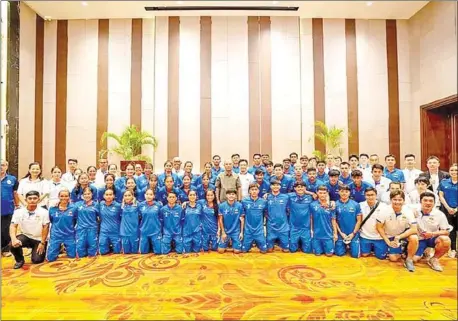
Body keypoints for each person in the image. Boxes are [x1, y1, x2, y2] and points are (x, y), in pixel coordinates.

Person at [376, 190, 419, 272]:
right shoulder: (384, 210)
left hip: (402, 234)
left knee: (414, 237)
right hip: (389, 235)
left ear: (403, 201)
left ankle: (409, 260)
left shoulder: (408, 211)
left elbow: (414, 229)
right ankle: (403, 249)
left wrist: (399, 237)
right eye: (395, 199)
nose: (397, 202)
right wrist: (388, 241)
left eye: (400, 200)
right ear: (390, 200)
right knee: (393, 258)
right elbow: (379, 227)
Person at [9, 191, 50, 269]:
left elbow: (46, 227)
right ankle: (19, 260)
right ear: (26, 199)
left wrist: (42, 243)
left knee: (36, 260)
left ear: (38, 200)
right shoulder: (18, 212)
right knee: (12, 244)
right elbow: (13, 226)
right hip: (26, 236)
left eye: (35, 198)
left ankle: (40, 249)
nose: (32, 200)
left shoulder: (44, 212)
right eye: (30, 198)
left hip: (39, 239)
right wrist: (14, 239)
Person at [413, 191, 452, 272]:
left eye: (431, 201)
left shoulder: (439, 214)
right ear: (420, 201)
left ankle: (434, 259)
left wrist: (432, 234)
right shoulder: (413, 210)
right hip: (419, 239)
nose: (428, 203)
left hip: (432, 239)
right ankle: (422, 251)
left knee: (445, 240)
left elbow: (446, 232)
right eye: (425, 200)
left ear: (434, 203)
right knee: (414, 259)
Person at [46, 189, 77, 262]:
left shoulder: (74, 208)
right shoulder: (52, 208)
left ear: (69, 197)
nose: (64, 198)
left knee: (72, 256)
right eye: (62, 196)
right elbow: (51, 220)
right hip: (56, 235)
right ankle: (58, 247)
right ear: (58, 197)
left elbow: (75, 220)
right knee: (50, 258)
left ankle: (64, 247)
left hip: (69, 235)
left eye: (66, 196)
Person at [359, 187, 388, 260]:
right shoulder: (360, 206)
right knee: (364, 254)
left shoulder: (384, 206)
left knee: (381, 257)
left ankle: (375, 248)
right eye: (368, 195)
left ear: (376, 195)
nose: (370, 197)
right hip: (365, 236)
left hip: (379, 237)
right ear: (364, 195)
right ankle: (370, 248)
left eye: (372, 195)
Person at [335, 185, 362, 258]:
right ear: (339, 192)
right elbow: (334, 221)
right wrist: (341, 233)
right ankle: (345, 246)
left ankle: (351, 245)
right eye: (342, 191)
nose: (344, 193)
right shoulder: (335, 204)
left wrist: (353, 233)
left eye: (346, 192)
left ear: (349, 193)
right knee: (339, 254)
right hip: (341, 233)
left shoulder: (356, 204)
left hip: (353, 233)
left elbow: (359, 221)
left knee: (355, 255)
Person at [311, 186, 337, 256]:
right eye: (320, 193)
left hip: (328, 235)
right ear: (317, 193)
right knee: (317, 254)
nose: (322, 195)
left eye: (324, 193)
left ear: (327, 193)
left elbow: (333, 220)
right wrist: (311, 231)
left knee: (329, 254)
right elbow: (311, 218)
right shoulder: (312, 205)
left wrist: (335, 233)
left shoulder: (331, 205)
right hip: (317, 235)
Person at [241, 183, 268, 253]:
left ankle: (258, 244)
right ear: (249, 191)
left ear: (259, 191)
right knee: (244, 251)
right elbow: (242, 216)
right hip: (248, 230)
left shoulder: (264, 202)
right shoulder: (244, 201)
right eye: (252, 190)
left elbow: (266, 214)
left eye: (256, 189)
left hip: (259, 230)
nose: (254, 191)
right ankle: (249, 244)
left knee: (264, 251)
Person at [438, 163, 457, 258]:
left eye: (456, 170)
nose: (454, 172)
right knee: (451, 230)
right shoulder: (444, 182)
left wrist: (456, 209)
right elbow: (441, 196)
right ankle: (453, 249)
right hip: (446, 210)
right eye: (452, 170)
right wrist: (448, 208)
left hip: (457, 209)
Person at [74, 187, 100, 258]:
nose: (87, 195)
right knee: (80, 250)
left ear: (92, 194)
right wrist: (58, 204)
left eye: (88, 194)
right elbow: (68, 208)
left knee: (93, 250)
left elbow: (100, 216)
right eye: (85, 194)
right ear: (82, 195)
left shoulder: (96, 205)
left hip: (92, 229)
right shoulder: (77, 204)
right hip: (81, 229)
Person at [288, 182, 313, 253]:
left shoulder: (310, 197)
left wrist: (311, 193)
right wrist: (267, 194)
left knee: (307, 251)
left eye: (302, 187)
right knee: (292, 250)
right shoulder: (289, 196)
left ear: (305, 188)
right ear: (295, 188)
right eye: (298, 187)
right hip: (294, 227)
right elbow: (278, 194)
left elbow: (321, 195)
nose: (300, 188)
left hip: (305, 228)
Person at [265, 180, 290, 252]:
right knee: (269, 250)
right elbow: (265, 211)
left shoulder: (286, 197)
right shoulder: (267, 197)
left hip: (283, 226)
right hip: (271, 226)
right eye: (273, 185)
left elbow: (288, 210)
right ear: (270, 187)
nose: (275, 186)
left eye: (277, 185)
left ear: (280, 186)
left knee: (286, 250)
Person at [217, 189, 245, 254]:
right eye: (229, 194)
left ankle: (233, 245)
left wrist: (241, 233)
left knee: (237, 251)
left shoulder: (239, 205)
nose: (231, 196)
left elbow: (242, 220)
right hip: (226, 231)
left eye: (233, 194)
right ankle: (228, 244)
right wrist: (223, 232)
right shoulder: (222, 206)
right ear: (226, 195)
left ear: (235, 196)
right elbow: (220, 219)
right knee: (220, 251)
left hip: (236, 231)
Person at [1, 160, 19, 256]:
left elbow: (15, 193)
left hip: (7, 209)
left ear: (7, 167)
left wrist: (17, 205)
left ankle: (5, 249)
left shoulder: (12, 179)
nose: (1, 167)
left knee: (5, 230)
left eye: (3, 165)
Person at [98, 189, 122, 255]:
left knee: (117, 251)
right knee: (102, 252)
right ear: (104, 196)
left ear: (113, 196)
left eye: (110, 195)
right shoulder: (101, 204)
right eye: (107, 195)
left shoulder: (118, 206)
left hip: (115, 231)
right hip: (104, 231)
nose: (108, 196)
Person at [139, 189, 163, 254]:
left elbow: (161, 218)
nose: (148, 196)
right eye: (147, 194)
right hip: (144, 231)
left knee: (159, 252)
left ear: (154, 196)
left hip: (156, 231)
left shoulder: (159, 205)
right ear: (144, 195)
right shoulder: (140, 205)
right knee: (143, 252)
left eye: (151, 194)